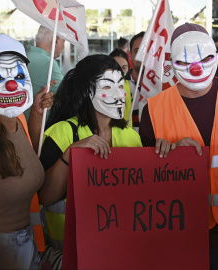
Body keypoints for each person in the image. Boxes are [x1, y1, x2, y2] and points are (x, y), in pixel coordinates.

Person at [140, 22, 218, 270]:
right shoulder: (153, 110)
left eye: (205, 57)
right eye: (184, 62)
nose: (195, 68)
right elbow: (144, 182)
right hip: (179, 235)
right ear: (171, 62)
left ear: (215, 56)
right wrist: (165, 156)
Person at [38, 54, 146, 268]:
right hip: (69, 252)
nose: (119, 95)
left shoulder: (131, 136)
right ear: (88, 91)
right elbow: (45, 197)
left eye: (120, 85)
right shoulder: (60, 133)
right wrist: (70, 155)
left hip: (118, 249)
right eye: (108, 86)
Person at [0, 33, 53, 269]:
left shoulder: (17, 118)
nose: (12, 85)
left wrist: (36, 116)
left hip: (27, 245)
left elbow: (29, 160)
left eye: (19, 75)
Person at [24, 25, 65, 120]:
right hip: (36, 128)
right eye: (64, 42)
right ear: (56, 40)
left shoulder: (26, 56)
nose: (63, 47)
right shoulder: (48, 63)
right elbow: (69, 96)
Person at [125, 31, 145, 132]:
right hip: (127, 145)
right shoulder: (119, 84)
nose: (142, 56)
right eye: (137, 51)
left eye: (147, 51)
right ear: (130, 55)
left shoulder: (165, 86)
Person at [109, 48, 132, 124]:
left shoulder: (130, 82)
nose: (121, 72)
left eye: (124, 68)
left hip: (127, 129)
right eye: (117, 67)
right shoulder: (105, 86)